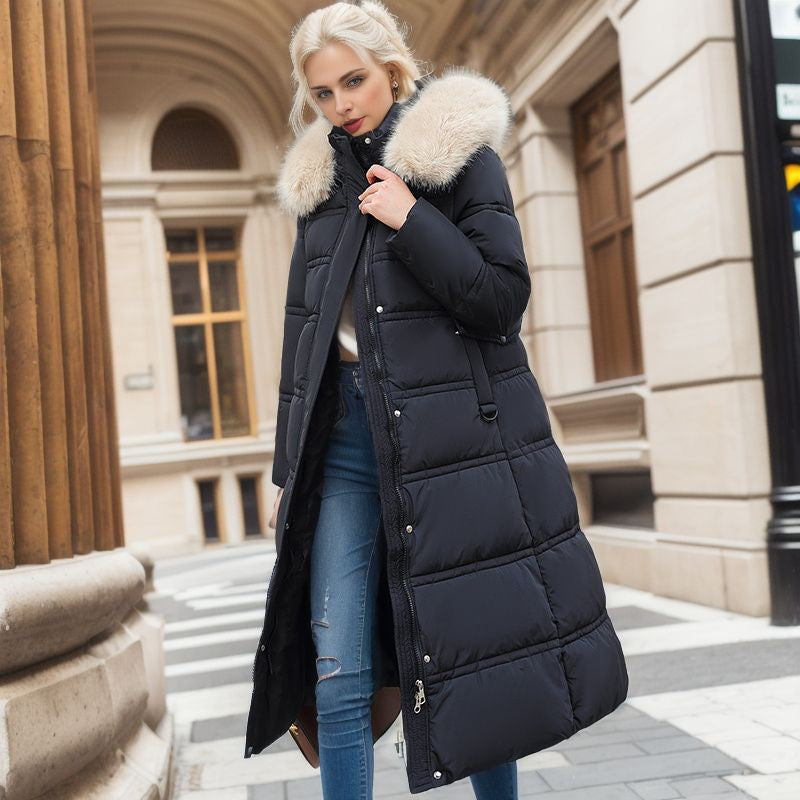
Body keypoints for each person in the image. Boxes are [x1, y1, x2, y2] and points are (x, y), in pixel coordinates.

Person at [245, 1, 629, 796]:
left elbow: (500, 300)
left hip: (453, 440)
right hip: (344, 446)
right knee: (340, 671)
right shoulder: (318, 198)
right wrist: (285, 469)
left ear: (391, 67)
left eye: (354, 80)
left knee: (475, 661)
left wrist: (412, 218)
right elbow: (304, 346)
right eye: (322, 93)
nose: (342, 104)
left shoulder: (460, 160)